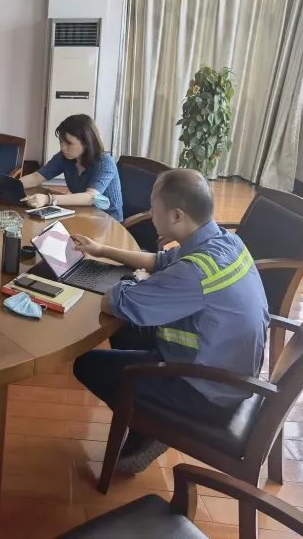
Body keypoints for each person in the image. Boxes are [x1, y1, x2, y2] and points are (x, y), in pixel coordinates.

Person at [69, 169, 268, 473]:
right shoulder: (225, 242)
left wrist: (132, 283)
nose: (150, 213)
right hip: (227, 368)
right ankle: (145, 417)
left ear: (176, 215)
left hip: (205, 391)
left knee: (87, 365)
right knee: (126, 330)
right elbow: (160, 261)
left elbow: (114, 302)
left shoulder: (194, 272)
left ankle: (152, 426)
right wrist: (102, 250)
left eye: (153, 206)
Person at [19, 114, 124, 221]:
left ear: (86, 143)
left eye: (69, 143)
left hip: (109, 220)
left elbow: (91, 197)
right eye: (61, 141)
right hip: (82, 214)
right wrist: (10, 186)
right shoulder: (64, 157)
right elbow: (36, 177)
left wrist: (48, 199)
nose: (63, 148)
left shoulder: (105, 162)